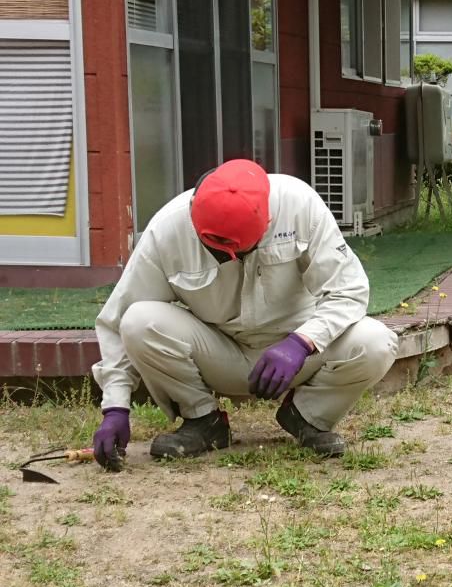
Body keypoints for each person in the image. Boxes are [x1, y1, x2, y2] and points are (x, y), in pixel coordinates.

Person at [90, 159, 399, 470]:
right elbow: (116, 322)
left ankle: (308, 416)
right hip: (219, 351)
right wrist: (115, 407)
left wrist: (302, 341)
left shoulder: (300, 205)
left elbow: (350, 291)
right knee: (137, 321)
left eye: (239, 251)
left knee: (376, 342)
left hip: (299, 354)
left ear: (268, 224)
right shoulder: (167, 229)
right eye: (218, 251)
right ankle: (203, 420)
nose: (229, 259)